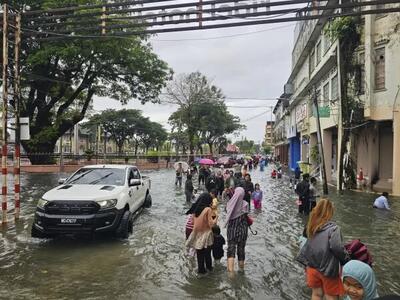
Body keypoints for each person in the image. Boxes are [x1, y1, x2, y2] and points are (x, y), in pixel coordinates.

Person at [302, 198, 349, 300]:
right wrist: (346, 257)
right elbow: (337, 247)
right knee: (331, 296)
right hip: (327, 269)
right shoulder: (334, 228)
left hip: (311, 267)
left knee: (316, 294)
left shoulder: (311, 225)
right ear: (330, 212)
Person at [185, 192, 216, 274]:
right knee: (207, 253)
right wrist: (215, 219)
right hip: (206, 234)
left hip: (197, 234)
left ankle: (201, 271)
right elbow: (211, 224)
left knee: (199, 254)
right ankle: (209, 269)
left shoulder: (195, 209)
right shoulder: (208, 209)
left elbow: (192, 222)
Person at [225, 187, 249, 273]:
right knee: (241, 249)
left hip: (232, 230)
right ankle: (241, 270)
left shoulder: (229, 204)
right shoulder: (246, 204)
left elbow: (226, 212)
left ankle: (231, 273)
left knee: (231, 249)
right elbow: (246, 215)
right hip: (243, 230)